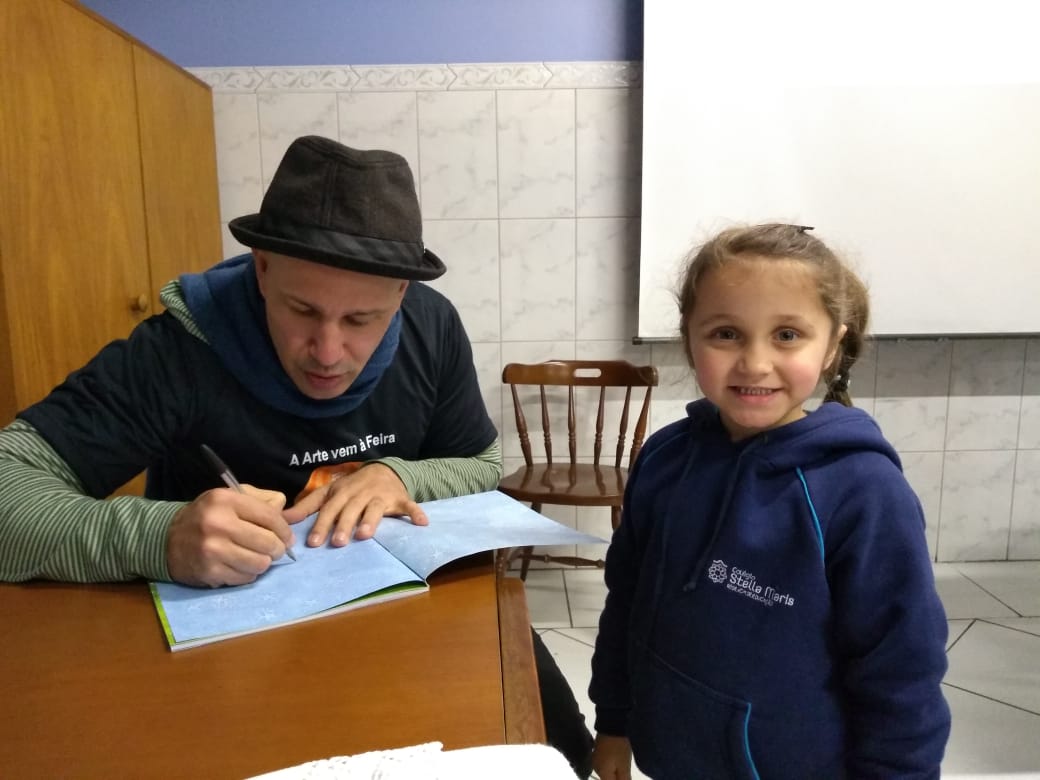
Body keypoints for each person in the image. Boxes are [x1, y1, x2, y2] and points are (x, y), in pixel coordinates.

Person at [0, 135, 593, 778]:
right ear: (261, 269)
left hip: (406, 628)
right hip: (231, 650)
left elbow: (479, 464)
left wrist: (400, 475)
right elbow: (9, 485)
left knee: (559, 744)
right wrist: (159, 536)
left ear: (401, 292)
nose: (328, 352)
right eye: (302, 309)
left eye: (361, 320)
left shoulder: (433, 326)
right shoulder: (179, 351)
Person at [589, 223, 951, 779]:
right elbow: (625, 603)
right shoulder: (664, 458)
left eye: (787, 335)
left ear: (832, 346)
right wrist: (613, 723)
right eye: (726, 333)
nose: (755, 363)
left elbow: (901, 671)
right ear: (689, 338)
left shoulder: (865, 492)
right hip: (669, 757)